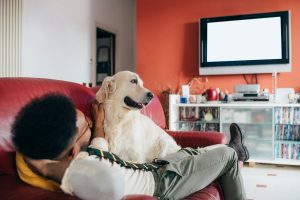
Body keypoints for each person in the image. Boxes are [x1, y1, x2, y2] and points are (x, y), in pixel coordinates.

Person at [12, 93, 248, 200]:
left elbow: (99, 135)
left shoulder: (90, 152)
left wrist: (98, 116)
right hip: (163, 184)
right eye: (87, 125)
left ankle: (239, 150)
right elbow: (109, 183)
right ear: (73, 151)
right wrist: (46, 169)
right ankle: (235, 152)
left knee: (188, 153)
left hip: (158, 167)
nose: (93, 123)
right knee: (226, 155)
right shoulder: (86, 169)